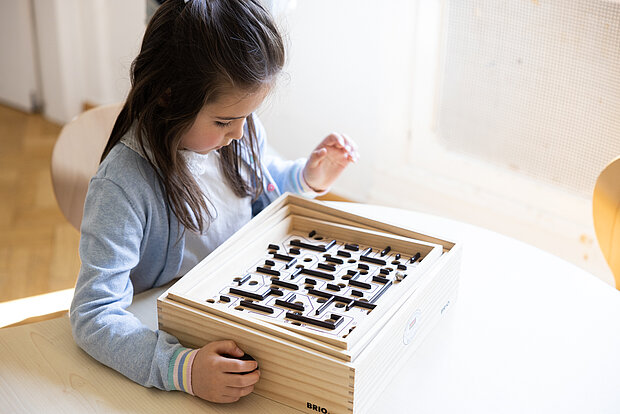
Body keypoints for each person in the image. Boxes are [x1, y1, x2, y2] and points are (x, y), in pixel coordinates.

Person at [70, 0, 358, 405]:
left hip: (242, 307)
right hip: (179, 340)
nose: (240, 133)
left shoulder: (235, 127)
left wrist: (307, 178)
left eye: (248, 116)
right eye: (224, 121)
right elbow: (93, 315)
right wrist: (181, 368)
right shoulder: (122, 185)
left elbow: (260, 185)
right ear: (170, 97)